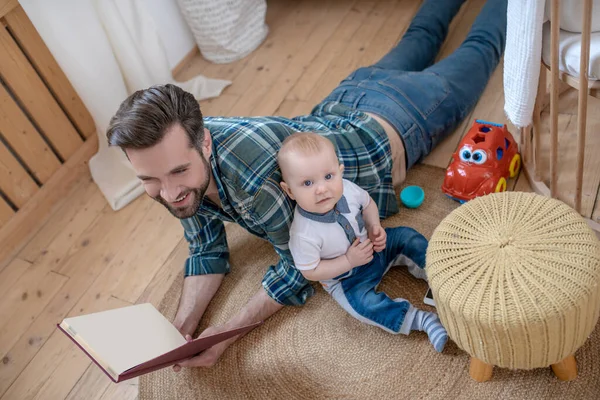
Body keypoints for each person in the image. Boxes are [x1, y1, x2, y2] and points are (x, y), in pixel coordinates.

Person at [106, 0, 506, 368]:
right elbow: (206, 245)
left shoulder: (253, 178)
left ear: (205, 143)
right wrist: (183, 328)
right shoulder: (180, 158)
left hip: (400, 118)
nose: (169, 191)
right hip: (343, 101)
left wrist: (227, 335)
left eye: (177, 173)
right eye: (150, 180)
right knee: (423, 33)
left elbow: (298, 270)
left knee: (484, 43)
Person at [278, 133, 448, 352]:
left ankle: (439, 276)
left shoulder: (347, 189)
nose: (321, 189)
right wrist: (348, 261)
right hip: (348, 279)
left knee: (408, 236)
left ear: (340, 171)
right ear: (290, 190)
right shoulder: (303, 233)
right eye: (308, 183)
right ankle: (424, 321)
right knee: (364, 307)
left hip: (376, 249)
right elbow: (310, 270)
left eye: (328, 176)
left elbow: (367, 204)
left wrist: (374, 227)